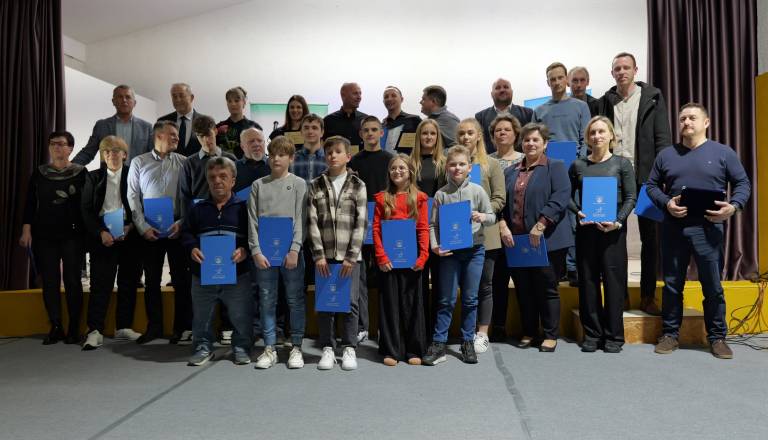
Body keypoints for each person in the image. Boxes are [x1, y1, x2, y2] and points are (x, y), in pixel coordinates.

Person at [646, 103, 750, 359]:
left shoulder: (723, 153)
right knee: (672, 286)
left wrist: (733, 207)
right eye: (682, 118)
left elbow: (742, 183)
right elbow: (650, 186)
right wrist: (666, 202)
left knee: (712, 286)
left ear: (706, 122)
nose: (686, 122)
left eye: (692, 117)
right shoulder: (666, 155)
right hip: (674, 229)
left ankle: (717, 338)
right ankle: (670, 334)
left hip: (708, 229)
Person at [595, 52, 672, 315]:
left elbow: (662, 138)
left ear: (635, 70)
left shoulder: (652, 96)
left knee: (650, 239)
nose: (621, 72)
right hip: (613, 178)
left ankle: (648, 296)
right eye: (617, 68)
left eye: (626, 67)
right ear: (612, 72)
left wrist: (662, 175)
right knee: (613, 239)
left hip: (647, 178)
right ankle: (620, 297)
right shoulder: (605, 101)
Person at [499, 123, 572, 352]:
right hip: (518, 242)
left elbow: (561, 197)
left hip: (547, 240)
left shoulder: (555, 167)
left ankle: (550, 334)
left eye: (535, 140)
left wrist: (541, 223)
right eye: (527, 140)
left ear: (545, 144)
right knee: (524, 289)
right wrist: (502, 224)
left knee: (547, 287)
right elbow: (501, 202)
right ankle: (529, 331)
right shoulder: (510, 171)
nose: (530, 143)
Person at [423, 146, 495, 365]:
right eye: (453, 164)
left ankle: (467, 341)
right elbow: (432, 224)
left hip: (474, 250)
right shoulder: (441, 194)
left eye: (462, 164)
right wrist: (435, 246)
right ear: (447, 167)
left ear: (469, 167)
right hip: (449, 253)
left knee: (471, 298)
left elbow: (492, 216)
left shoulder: (478, 190)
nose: (457, 168)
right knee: (446, 299)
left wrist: (482, 215)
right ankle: (439, 343)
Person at [569, 116, 636, 353]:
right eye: (592, 133)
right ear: (587, 138)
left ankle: (614, 336)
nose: (597, 136)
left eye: (601, 132)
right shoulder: (578, 165)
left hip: (613, 234)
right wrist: (578, 212)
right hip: (587, 232)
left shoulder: (622, 164)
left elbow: (630, 197)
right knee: (587, 283)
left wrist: (617, 222)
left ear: (611, 136)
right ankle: (592, 334)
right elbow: (567, 196)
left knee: (614, 284)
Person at [181, 156, 254, 366]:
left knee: (240, 316)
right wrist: (192, 247)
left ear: (233, 180)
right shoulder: (198, 208)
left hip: (237, 273)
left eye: (223, 176)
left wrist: (245, 250)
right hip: (203, 274)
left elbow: (253, 236)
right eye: (212, 177)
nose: (217, 181)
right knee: (201, 317)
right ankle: (203, 348)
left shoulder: (244, 207)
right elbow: (186, 233)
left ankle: (241, 347)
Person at [127, 120, 192, 344]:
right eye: (172, 134)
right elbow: (132, 197)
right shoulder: (138, 162)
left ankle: (180, 328)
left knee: (181, 280)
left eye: (177, 135)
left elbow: (190, 197)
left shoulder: (185, 162)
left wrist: (182, 223)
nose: (177, 138)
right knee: (152, 280)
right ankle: (153, 327)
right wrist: (143, 227)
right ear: (158, 136)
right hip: (149, 229)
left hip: (176, 228)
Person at [20, 131, 87, 345]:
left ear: (70, 148)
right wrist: (26, 230)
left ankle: (74, 327)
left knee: (73, 281)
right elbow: (30, 203)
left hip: (73, 234)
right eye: (53, 144)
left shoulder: (81, 172)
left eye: (61, 144)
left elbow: (87, 207)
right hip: (44, 235)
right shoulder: (39, 173)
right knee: (49, 281)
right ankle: (56, 325)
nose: (57, 148)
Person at [307, 136, 367, 371]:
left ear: (348, 156)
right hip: (324, 256)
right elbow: (311, 221)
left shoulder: (357, 185)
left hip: (349, 257)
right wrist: (319, 254)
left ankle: (349, 347)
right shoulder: (316, 184)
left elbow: (361, 222)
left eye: (338, 151)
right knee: (326, 303)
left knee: (351, 302)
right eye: (329, 151)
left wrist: (352, 256)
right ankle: (328, 348)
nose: (332, 155)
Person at [248, 136, 308, 369]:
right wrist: (255, 251)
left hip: (292, 255)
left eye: (281, 155)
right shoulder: (258, 185)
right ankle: (270, 347)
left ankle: (296, 346)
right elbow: (252, 221)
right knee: (266, 300)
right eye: (272, 154)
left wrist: (294, 249)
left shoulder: (299, 184)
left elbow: (300, 220)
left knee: (294, 300)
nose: (276, 158)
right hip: (264, 255)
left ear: (291, 158)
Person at [80, 136, 143, 349]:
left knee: (128, 283)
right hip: (102, 236)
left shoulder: (133, 175)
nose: (111, 155)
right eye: (106, 151)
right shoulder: (92, 177)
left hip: (129, 234)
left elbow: (140, 205)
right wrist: (100, 232)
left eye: (116, 151)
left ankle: (123, 327)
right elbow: (86, 210)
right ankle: (95, 330)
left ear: (125, 155)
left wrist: (131, 226)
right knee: (100, 284)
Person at [533, 61, 592, 286]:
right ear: (547, 82)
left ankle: (574, 267)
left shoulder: (580, 107)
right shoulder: (540, 111)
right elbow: (535, 142)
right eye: (552, 79)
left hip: (574, 171)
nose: (556, 82)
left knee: (574, 218)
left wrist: (579, 165)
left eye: (560, 78)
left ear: (566, 79)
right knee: (552, 217)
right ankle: (554, 266)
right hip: (549, 172)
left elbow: (584, 139)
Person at [453, 119, 506, 355]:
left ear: (479, 136)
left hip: (486, 234)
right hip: (458, 233)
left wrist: (483, 213)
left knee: (484, 286)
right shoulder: (452, 163)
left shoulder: (491, 164)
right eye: (461, 133)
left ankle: (482, 333)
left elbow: (499, 198)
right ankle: (465, 331)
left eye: (470, 133)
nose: (465, 137)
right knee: (462, 286)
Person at [372, 154, 429, 366]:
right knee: (390, 304)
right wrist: (381, 256)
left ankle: (414, 348)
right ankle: (391, 349)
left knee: (413, 303)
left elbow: (423, 229)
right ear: (389, 172)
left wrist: (423, 256)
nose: (397, 171)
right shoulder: (381, 198)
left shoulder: (420, 198)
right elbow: (376, 230)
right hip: (388, 261)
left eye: (402, 168)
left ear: (410, 172)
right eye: (394, 168)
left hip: (413, 260)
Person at [348, 116, 395, 343]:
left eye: (374, 130)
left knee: (386, 276)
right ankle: (362, 326)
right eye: (366, 130)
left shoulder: (390, 160)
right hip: (360, 225)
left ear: (382, 133)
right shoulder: (353, 162)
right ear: (360, 134)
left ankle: (386, 327)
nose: (370, 133)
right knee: (361, 279)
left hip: (385, 224)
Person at [487, 115, 524, 340]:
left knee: (523, 280)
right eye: (497, 130)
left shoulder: (525, 159)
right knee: (497, 281)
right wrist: (500, 222)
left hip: (521, 228)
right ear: (492, 137)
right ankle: (498, 326)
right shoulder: (486, 161)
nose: (502, 133)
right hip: (494, 227)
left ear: (515, 134)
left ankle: (528, 327)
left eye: (507, 129)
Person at [409, 119, 446, 334]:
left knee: (440, 281)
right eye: (425, 133)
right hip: (415, 228)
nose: (429, 137)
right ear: (419, 136)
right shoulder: (412, 163)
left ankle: (436, 331)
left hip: (440, 228)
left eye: (433, 133)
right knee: (419, 281)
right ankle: (420, 330)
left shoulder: (444, 162)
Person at [72, 85, 154, 166]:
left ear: (134, 103)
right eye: (120, 97)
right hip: (109, 177)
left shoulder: (146, 127)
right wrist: (69, 168)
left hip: (138, 177)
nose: (124, 100)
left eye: (128, 97)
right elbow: (88, 153)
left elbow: (152, 156)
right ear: (113, 101)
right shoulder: (101, 125)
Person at [181, 115, 237, 216]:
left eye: (208, 134)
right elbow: (185, 196)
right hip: (199, 215)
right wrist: (186, 222)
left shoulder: (231, 159)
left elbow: (236, 189)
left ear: (215, 131)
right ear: (196, 136)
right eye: (201, 136)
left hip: (227, 213)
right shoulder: (189, 163)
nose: (206, 140)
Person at [475, 78, 533, 152]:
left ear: (512, 92)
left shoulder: (528, 114)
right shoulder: (480, 117)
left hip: (522, 162)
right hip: (489, 162)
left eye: (506, 87)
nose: (502, 90)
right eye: (498, 88)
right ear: (491, 94)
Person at [157, 83, 210, 157]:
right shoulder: (162, 121)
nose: (178, 100)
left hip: (196, 167)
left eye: (181, 96)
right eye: (174, 96)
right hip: (169, 167)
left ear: (191, 97)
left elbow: (209, 150)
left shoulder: (205, 122)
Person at [215, 86, 262, 158]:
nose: (233, 104)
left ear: (244, 102)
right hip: (223, 167)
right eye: (229, 101)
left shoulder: (254, 127)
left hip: (247, 167)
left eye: (236, 100)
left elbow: (259, 152)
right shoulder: (218, 127)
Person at [323, 82, 368, 148]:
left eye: (360, 93)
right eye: (355, 93)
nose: (359, 97)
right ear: (343, 95)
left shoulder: (366, 120)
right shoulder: (328, 121)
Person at [381, 86, 421, 153]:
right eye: (386, 97)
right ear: (383, 101)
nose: (389, 99)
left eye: (393, 95)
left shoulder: (414, 120)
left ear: (401, 99)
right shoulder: (382, 126)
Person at [234, 128, 270, 194]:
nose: (256, 144)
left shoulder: (275, 165)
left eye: (259, 140)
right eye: (251, 141)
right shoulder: (233, 168)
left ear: (264, 143)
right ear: (242, 146)